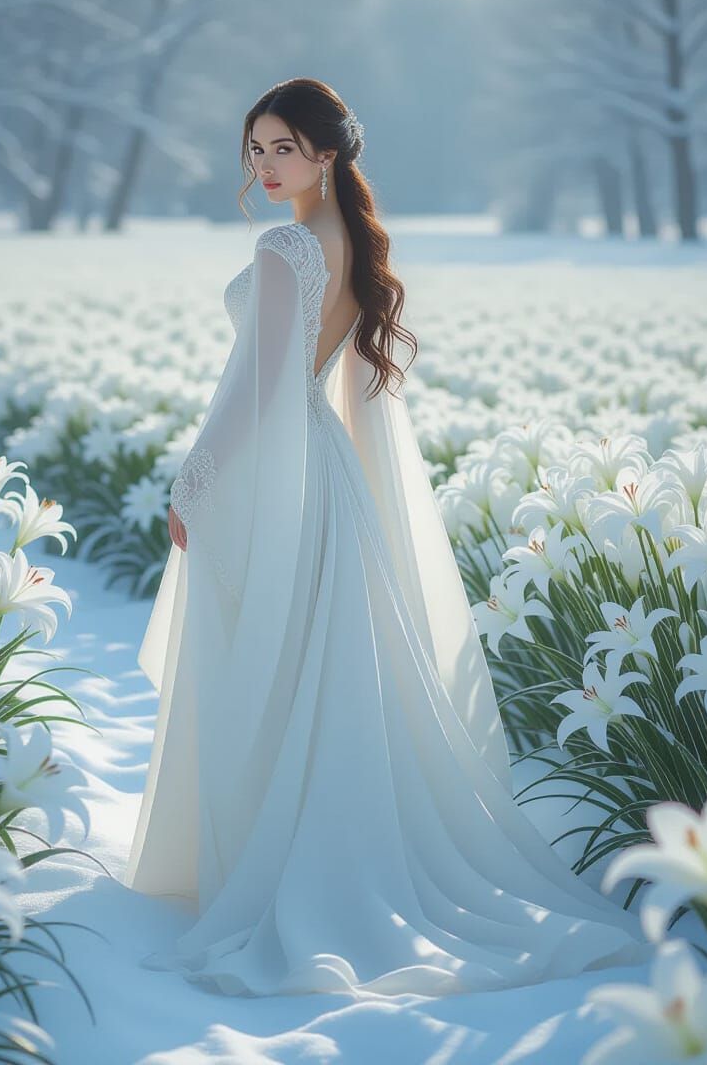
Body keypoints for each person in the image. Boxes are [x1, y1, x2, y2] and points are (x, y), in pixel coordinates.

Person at [123, 77, 653, 997]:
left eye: (281, 146)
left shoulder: (287, 244)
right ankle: (307, 843)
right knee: (318, 672)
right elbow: (331, 391)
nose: (264, 164)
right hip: (318, 471)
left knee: (276, 665)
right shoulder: (348, 242)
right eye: (254, 148)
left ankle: (280, 857)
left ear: (325, 153)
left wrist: (197, 474)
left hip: (273, 471)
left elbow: (258, 385)